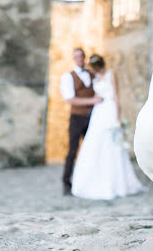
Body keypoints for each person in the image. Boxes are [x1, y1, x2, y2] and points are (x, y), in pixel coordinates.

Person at [70, 54, 146, 200]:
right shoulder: (95, 77)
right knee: (95, 144)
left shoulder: (111, 74)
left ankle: (116, 183)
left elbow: (116, 96)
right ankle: (93, 180)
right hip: (98, 112)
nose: (95, 71)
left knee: (112, 145)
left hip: (110, 110)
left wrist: (118, 117)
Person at [60, 47, 103, 195]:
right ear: (73, 58)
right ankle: (66, 183)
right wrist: (92, 100)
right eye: (76, 56)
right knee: (72, 151)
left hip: (92, 118)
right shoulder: (68, 76)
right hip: (77, 118)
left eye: (81, 56)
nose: (79, 58)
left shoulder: (92, 75)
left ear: (84, 58)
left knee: (91, 150)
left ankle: (90, 181)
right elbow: (70, 99)